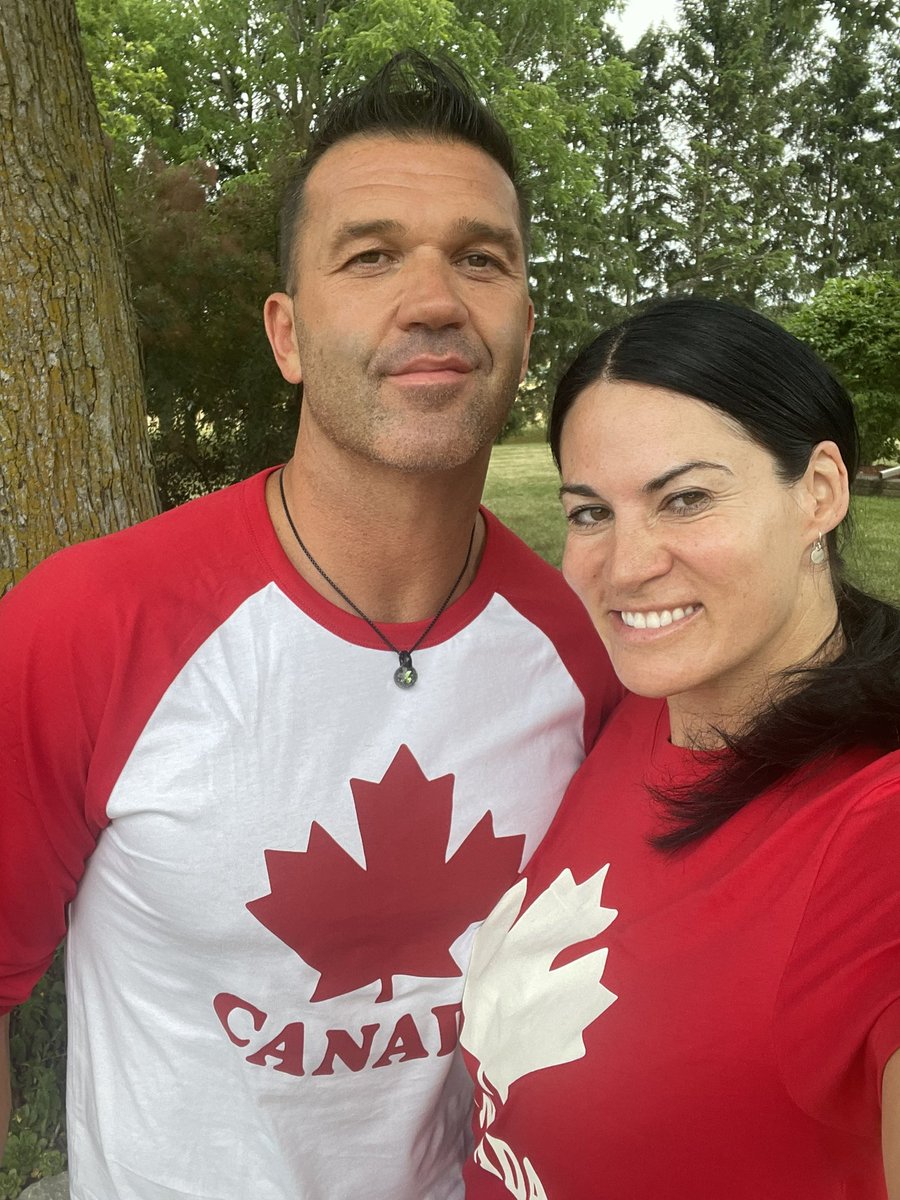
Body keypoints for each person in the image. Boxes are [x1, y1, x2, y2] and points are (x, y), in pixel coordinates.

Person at [0, 53, 621, 1200]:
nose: (433, 299)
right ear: (287, 334)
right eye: (371, 254)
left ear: (524, 333)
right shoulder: (87, 628)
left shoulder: (595, 654)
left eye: (479, 259)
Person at [459, 296, 900, 1199]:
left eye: (686, 499)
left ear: (819, 491)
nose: (625, 567)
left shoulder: (875, 835)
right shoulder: (642, 708)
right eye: (590, 513)